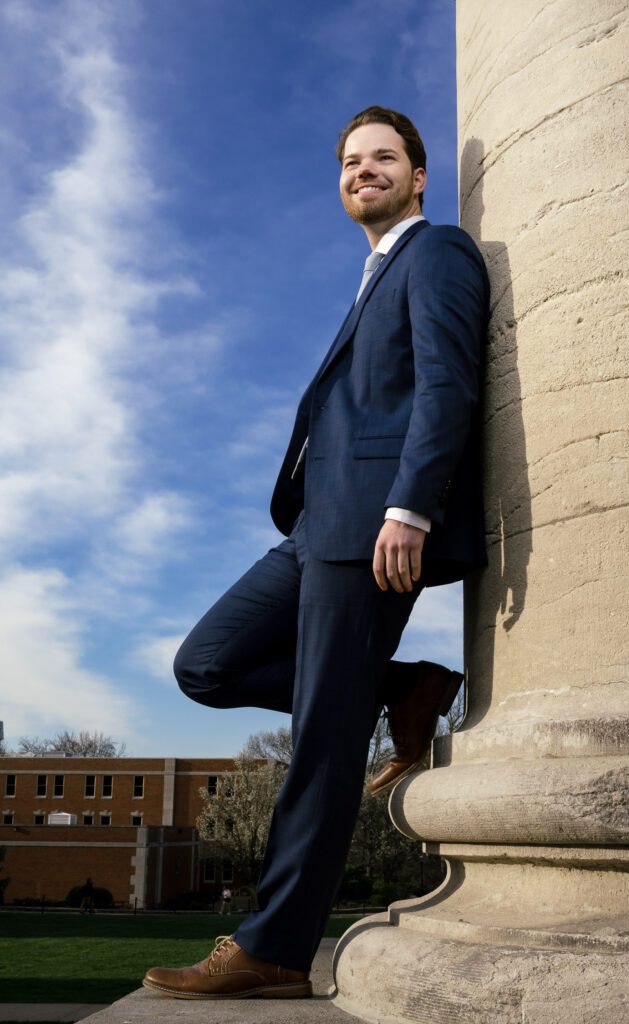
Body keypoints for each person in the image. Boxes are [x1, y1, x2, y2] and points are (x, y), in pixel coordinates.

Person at [143, 106, 489, 1000]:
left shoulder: (436, 252)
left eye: (381, 158)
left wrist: (409, 507)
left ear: (418, 177)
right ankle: (401, 686)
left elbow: (448, 384)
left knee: (321, 747)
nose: (360, 171)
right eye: (348, 161)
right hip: (314, 528)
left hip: (375, 526)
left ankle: (275, 948)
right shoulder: (374, 274)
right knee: (206, 665)